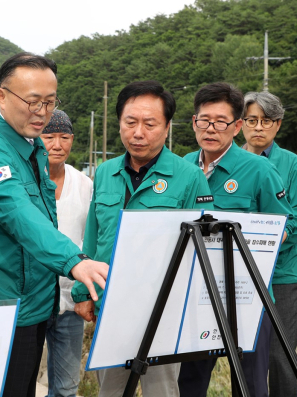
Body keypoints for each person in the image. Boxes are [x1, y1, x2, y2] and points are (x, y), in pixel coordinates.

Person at [0, 52, 109, 397]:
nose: (42, 112)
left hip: (35, 300)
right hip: (4, 304)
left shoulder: (31, 147)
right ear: (1, 96)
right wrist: (75, 260)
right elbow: (21, 217)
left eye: (50, 102)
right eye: (32, 102)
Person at [71, 80, 214, 397]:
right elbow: (94, 239)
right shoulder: (106, 172)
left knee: (161, 389)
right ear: (119, 123)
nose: (138, 133)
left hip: (163, 307)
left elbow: (204, 248)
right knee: (110, 389)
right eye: (130, 122)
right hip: (111, 303)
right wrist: (82, 291)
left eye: (149, 124)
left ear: (166, 128)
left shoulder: (189, 177)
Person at [178, 82, 295, 397]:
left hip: (249, 298)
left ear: (237, 126)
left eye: (221, 122)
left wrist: (259, 241)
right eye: (204, 120)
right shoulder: (182, 167)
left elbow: (284, 224)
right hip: (196, 297)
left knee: (251, 385)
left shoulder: (259, 170)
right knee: (189, 382)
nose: (211, 128)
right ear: (194, 122)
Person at [241, 91, 297, 397]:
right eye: (251, 120)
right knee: (245, 355)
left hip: (281, 275)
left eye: (266, 121)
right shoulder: (231, 162)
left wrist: (267, 242)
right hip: (239, 274)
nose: (258, 127)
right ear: (240, 124)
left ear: (278, 125)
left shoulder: (293, 165)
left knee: (281, 355)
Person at [39, 110, 93, 397]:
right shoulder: (25, 182)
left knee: (66, 386)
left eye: (64, 137)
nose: (57, 144)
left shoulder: (85, 185)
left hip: (71, 299)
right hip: (31, 297)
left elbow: (89, 239)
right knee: (18, 377)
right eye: (48, 136)